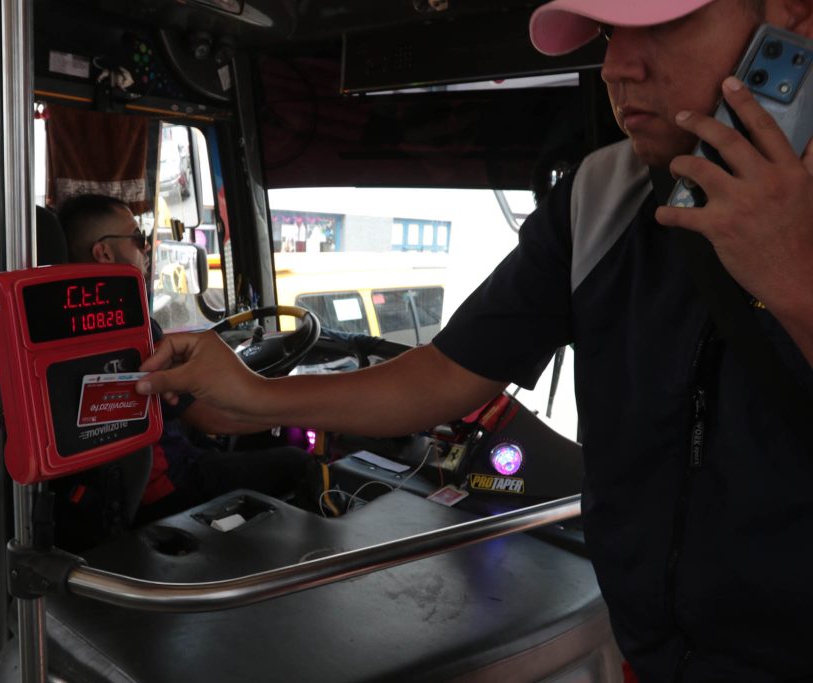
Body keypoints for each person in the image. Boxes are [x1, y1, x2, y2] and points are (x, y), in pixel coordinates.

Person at [134, 0, 813, 680]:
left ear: (792, 17)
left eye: (661, 25)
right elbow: (443, 375)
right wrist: (255, 393)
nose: (615, 66)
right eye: (609, 34)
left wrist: (794, 278)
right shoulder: (599, 199)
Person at [56, 193, 315, 525]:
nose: (146, 248)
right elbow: (215, 419)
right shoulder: (130, 328)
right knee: (297, 462)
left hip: (100, 492)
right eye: (138, 238)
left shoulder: (64, 322)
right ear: (103, 252)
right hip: (165, 485)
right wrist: (306, 412)